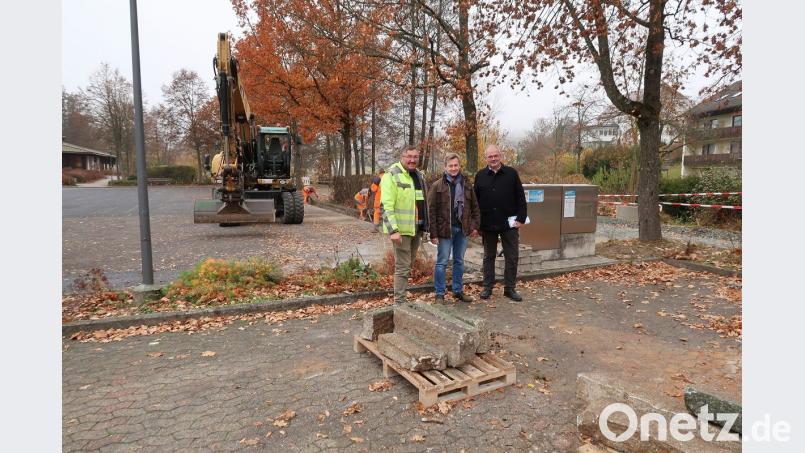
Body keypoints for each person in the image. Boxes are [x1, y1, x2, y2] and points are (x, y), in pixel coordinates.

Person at [474, 144, 527, 301]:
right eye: (490, 156)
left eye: (495, 155)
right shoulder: (480, 176)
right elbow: (475, 202)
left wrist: (521, 218)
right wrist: (476, 224)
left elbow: (520, 198)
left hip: (509, 223)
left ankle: (509, 288)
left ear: (500, 156)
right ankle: (487, 287)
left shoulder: (511, 174)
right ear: (486, 158)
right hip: (488, 224)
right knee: (488, 257)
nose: (493, 158)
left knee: (512, 256)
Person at [427, 153, 480, 303]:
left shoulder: (467, 185)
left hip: (462, 230)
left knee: (459, 261)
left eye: (456, 165)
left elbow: (475, 207)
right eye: (450, 165)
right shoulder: (437, 186)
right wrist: (433, 233)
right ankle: (439, 293)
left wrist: (475, 226)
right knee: (442, 262)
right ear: (445, 167)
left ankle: (458, 291)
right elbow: (431, 211)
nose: (453, 168)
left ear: (459, 166)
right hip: (445, 231)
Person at [380, 146, 428, 304]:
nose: (413, 160)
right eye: (409, 156)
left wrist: (426, 227)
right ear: (402, 156)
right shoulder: (392, 175)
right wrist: (393, 230)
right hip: (401, 231)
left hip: (416, 229)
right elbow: (385, 206)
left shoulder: (418, 175)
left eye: (415, 156)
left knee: (407, 266)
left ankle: (401, 300)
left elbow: (422, 203)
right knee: (402, 267)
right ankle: (399, 303)